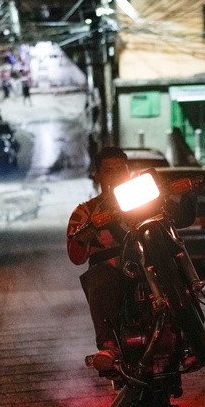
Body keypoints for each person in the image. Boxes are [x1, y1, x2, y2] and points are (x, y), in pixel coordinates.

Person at [67, 147, 131, 371]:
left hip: (142, 262)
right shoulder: (85, 211)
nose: (115, 175)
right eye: (108, 171)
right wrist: (90, 230)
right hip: (109, 269)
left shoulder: (144, 202)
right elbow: (75, 255)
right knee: (98, 276)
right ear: (98, 176)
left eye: (120, 170)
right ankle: (109, 344)